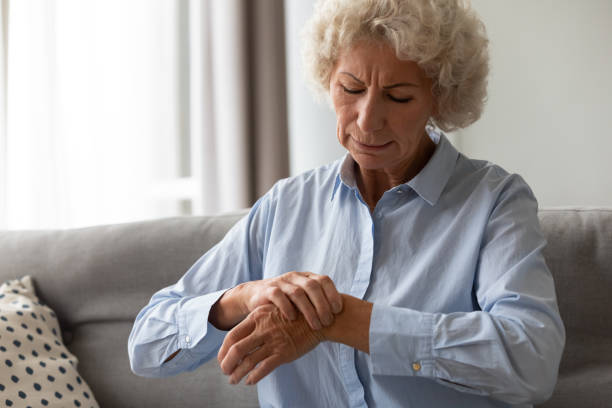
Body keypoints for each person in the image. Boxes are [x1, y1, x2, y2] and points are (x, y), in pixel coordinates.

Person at [128, 0, 565, 406]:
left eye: (398, 97)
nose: (367, 119)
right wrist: (243, 297)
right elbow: (146, 345)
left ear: (441, 97)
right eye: (350, 88)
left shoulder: (493, 201)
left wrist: (344, 321)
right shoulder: (288, 204)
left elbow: (532, 360)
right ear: (327, 79)